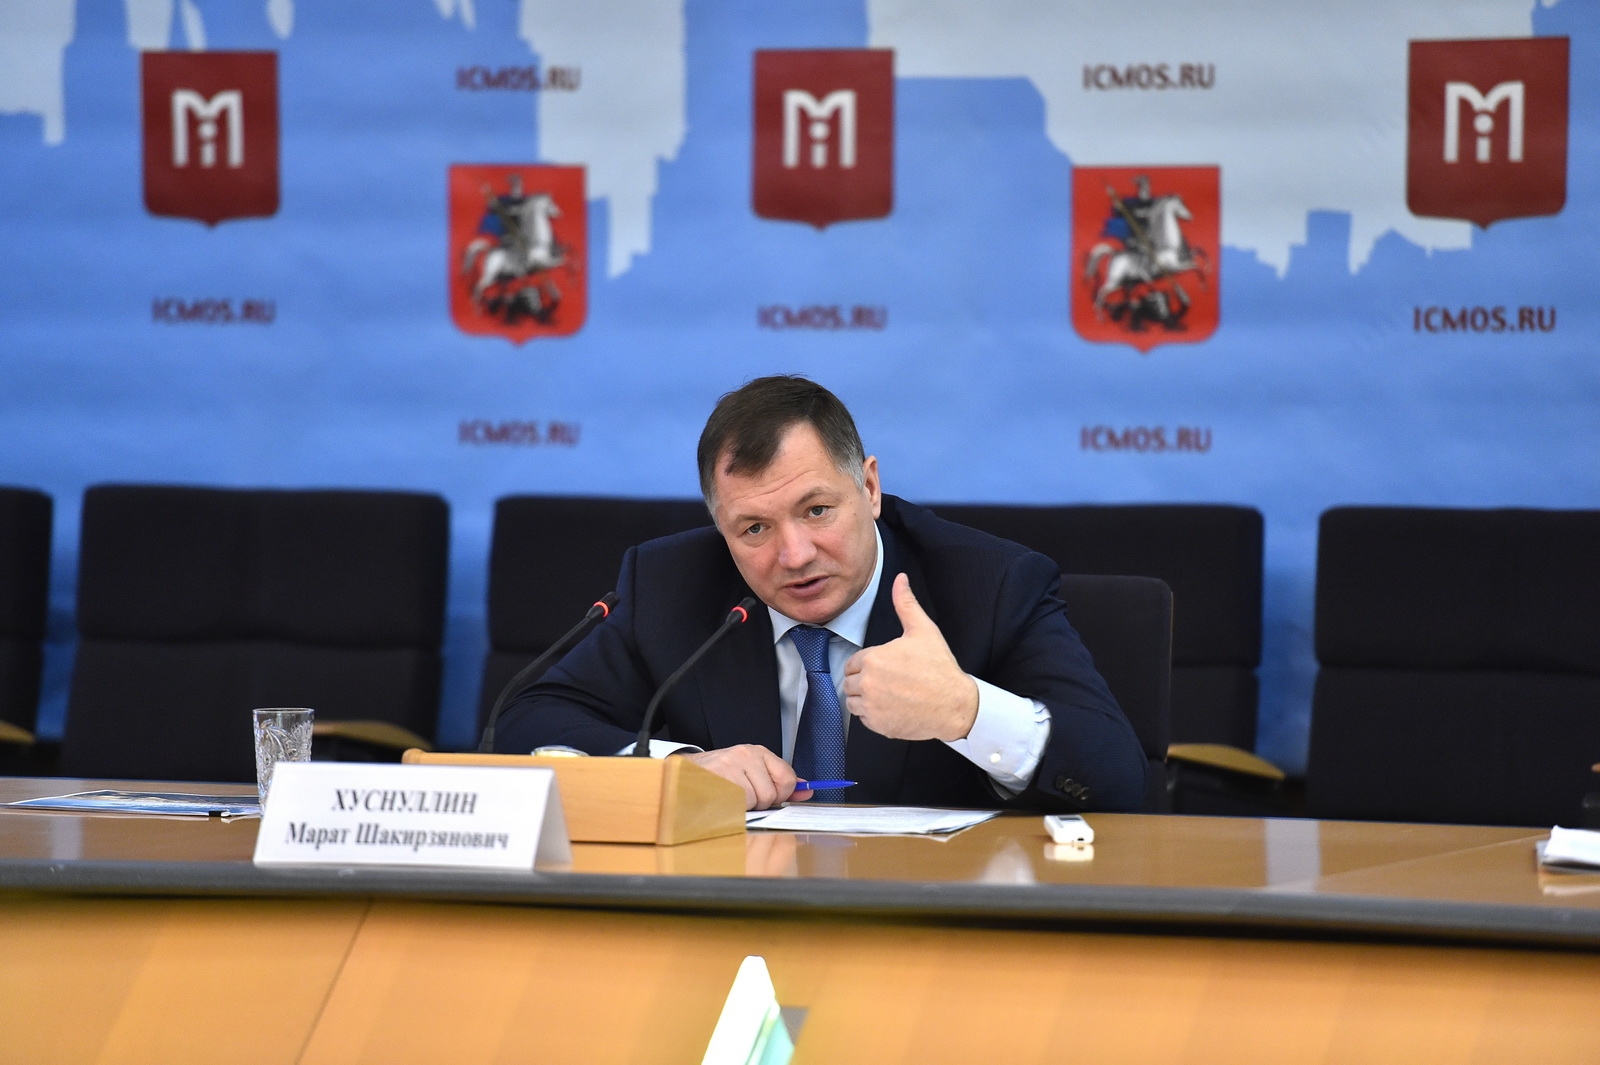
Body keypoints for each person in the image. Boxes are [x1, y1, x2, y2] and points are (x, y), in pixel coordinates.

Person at [493, 376, 1149, 812]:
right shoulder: (672, 585)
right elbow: (524, 725)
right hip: (734, 915)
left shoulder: (990, 584)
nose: (795, 555)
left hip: (930, 926)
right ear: (720, 527)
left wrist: (965, 711)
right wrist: (680, 769)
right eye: (754, 528)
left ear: (869, 488)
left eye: (816, 510)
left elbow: (1119, 778)